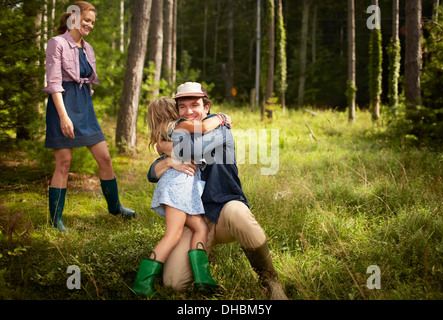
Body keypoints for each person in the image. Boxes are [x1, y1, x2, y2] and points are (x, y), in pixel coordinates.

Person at [147, 82, 288, 300]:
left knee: (238, 212)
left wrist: (165, 148)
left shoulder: (221, 131)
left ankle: (270, 281)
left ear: (206, 108)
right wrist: (170, 162)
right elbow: (152, 173)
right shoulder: (179, 133)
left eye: (195, 105)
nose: (189, 111)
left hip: (224, 213)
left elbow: (194, 150)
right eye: (182, 107)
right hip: (194, 221)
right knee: (174, 283)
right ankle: (202, 261)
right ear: (177, 112)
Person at [42, 1, 135, 232]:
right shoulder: (57, 43)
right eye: (86, 20)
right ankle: (55, 221)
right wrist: (64, 117)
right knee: (64, 163)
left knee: (104, 157)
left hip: (84, 106)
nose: (90, 25)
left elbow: (87, 81)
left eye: (92, 22)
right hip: (62, 105)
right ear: (74, 18)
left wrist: (86, 106)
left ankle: (115, 207)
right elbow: (53, 83)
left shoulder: (88, 48)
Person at [133, 97, 232, 297]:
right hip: (178, 187)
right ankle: (141, 284)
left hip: (180, 189)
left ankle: (203, 278)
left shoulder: (165, 133)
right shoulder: (178, 126)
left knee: (200, 227)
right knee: (173, 235)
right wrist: (222, 118)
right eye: (179, 107)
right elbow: (203, 127)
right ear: (173, 111)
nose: (185, 111)